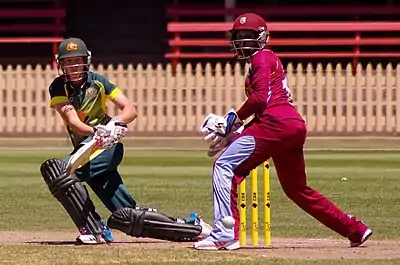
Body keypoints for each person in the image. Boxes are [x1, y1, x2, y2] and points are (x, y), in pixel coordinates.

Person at [195, 13, 372, 250]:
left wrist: (232, 120)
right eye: (239, 36)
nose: (243, 41)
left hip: (274, 124)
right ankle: (354, 229)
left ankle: (225, 233)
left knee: (224, 166)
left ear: (262, 37)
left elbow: (259, 100)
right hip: (290, 125)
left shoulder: (263, 57)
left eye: (249, 36)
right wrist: (236, 132)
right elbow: (264, 105)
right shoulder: (264, 60)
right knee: (297, 189)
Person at [40, 37, 212, 245]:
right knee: (128, 216)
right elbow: (73, 121)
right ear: (61, 64)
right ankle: (192, 228)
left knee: (60, 172)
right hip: (88, 147)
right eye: (68, 62)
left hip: (107, 148)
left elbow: (130, 110)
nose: (74, 66)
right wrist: (95, 131)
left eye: (78, 60)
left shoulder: (99, 81)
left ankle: (94, 230)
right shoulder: (58, 87)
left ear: (86, 60)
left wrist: (113, 125)